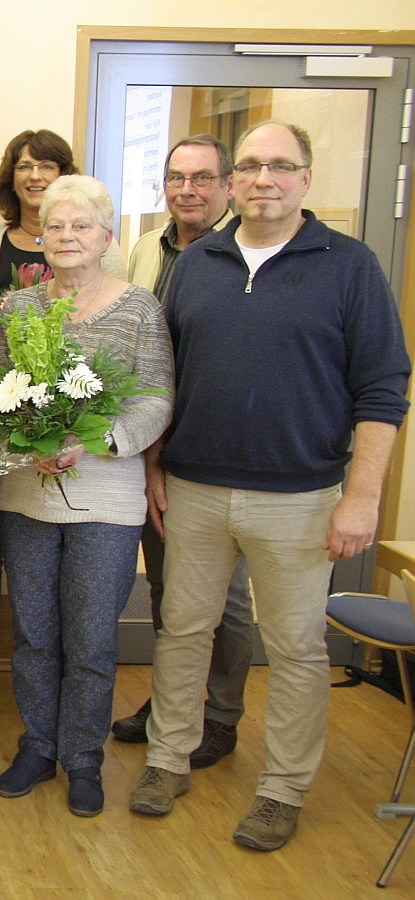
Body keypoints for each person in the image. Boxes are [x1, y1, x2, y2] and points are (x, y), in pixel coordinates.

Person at [131, 121, 410, 851]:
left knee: (294, 649)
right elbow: (164, 376)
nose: (263, 179)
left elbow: (383, 389)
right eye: (251, 166)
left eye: (280, 167)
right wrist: (155, 465)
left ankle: (282, 790)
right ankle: (167, 759)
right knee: (184, 629)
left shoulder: (349, 266)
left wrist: (364, 497)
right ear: (233, 184)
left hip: (303, 496)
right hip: (193, 488)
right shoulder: (197, 263)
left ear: (306, 180)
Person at [0, 175, 173, 818]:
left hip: (109, 500)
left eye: (81, 227)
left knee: (91, 638)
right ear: (41, 234)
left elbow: (156, 396)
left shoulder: (138, 308)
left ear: (106, 237)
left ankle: (84, 758)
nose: (67, 237)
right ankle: (38, 745)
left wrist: (100, 441)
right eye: (56, 226)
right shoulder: (19, 310)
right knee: (36, 635)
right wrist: (23, 437)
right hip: (27, 494)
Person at [111, 134, 250, 768]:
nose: (187, 190)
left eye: (202, 178)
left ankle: (218, 716)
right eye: (176, 177)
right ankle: (171, 705)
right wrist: (149, 457)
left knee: (232, 602)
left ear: (226, 186)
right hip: (164, 448)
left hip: (234, 455)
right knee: (173, 594)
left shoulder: (247, 254)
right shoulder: (146, 250)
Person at [0, 130, 127, 290]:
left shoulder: (99, 241)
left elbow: (117, 300)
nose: (35, 176)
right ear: (11, 178)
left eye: (47, 166)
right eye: (24, 167)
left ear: (63, 175)